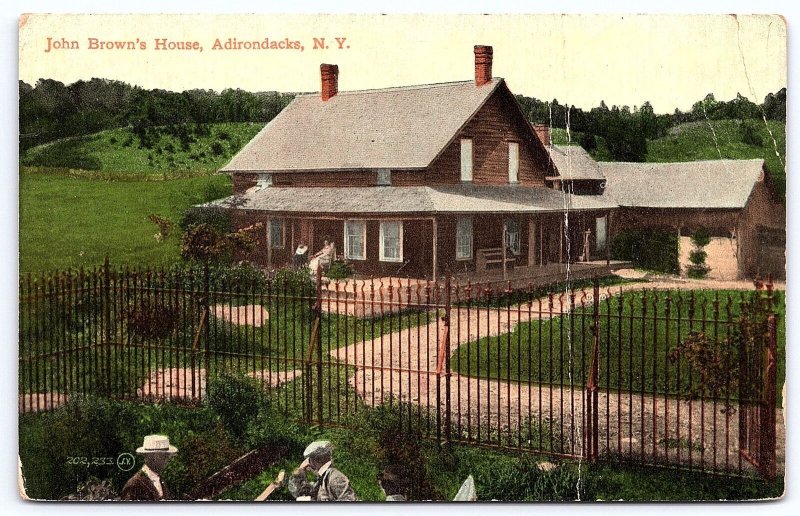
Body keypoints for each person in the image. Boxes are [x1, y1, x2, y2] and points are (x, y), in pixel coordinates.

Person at [287, 440, 357, 501]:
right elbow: (298, 492)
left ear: (315, 459)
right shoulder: (323, 478)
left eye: (309, 459)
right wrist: (300, 471)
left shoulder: (335, 478)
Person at [120, 434, 177, 501]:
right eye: (164, 456)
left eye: (168, 456)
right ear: (150, 456)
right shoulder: (134, 485)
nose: (168, 460)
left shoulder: (161, 481)